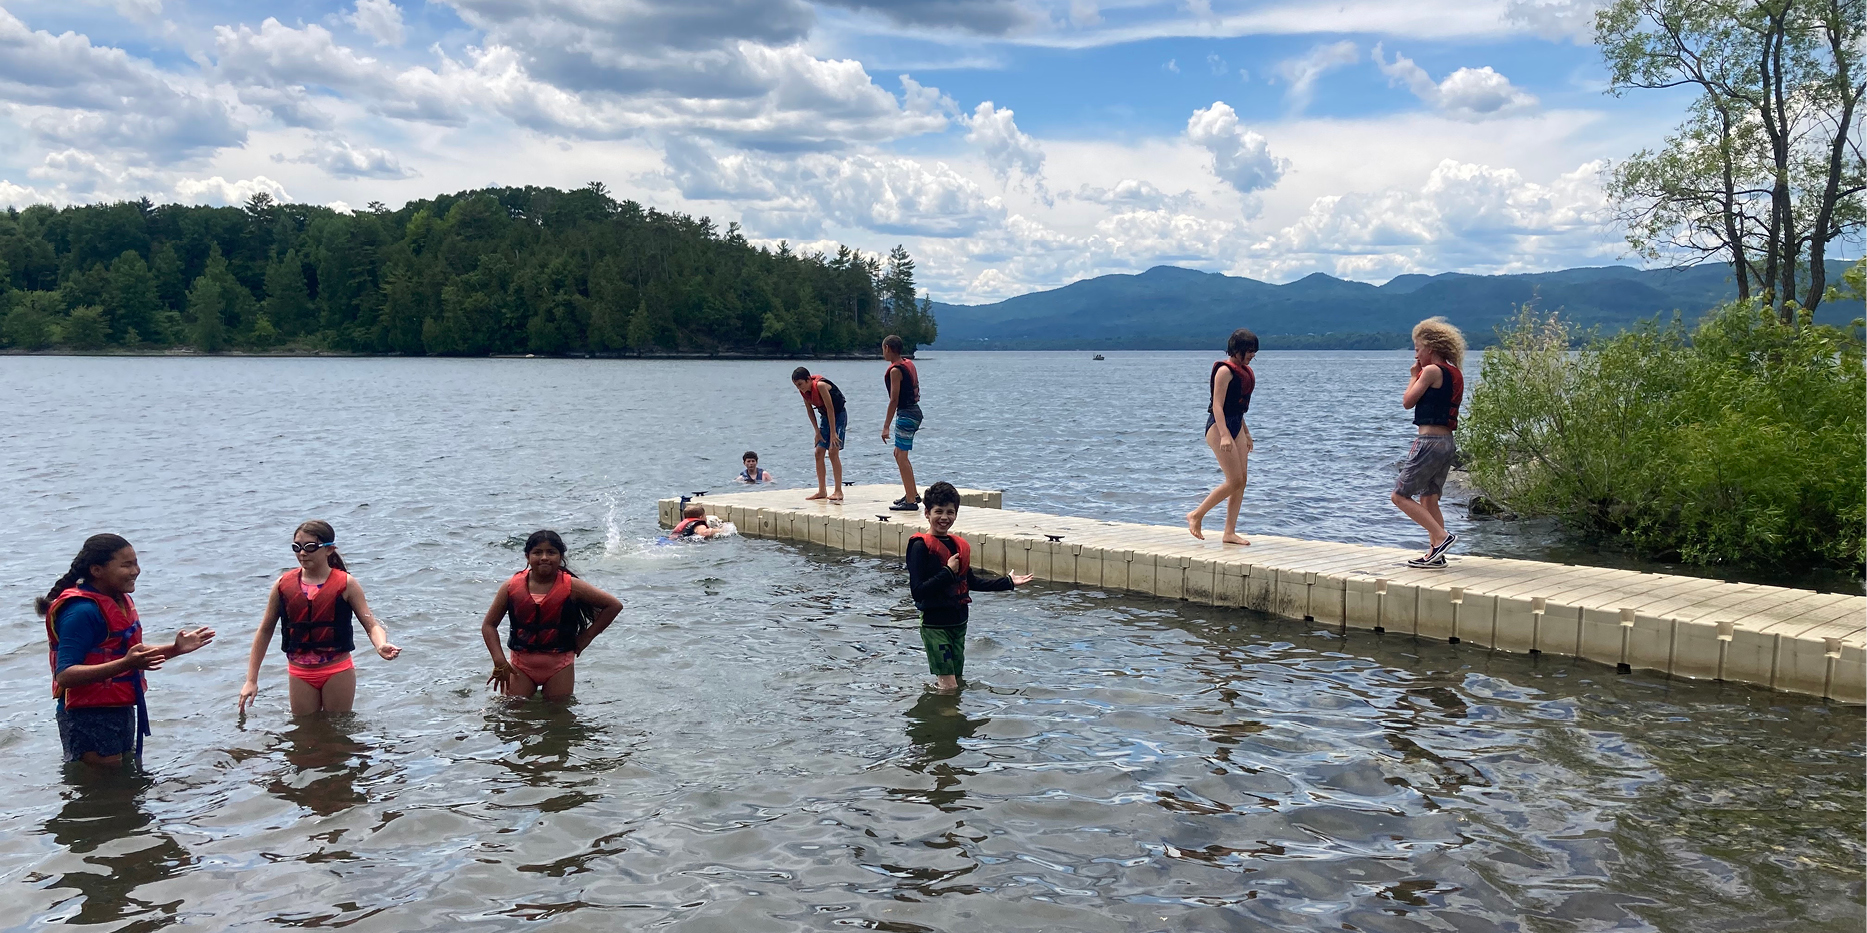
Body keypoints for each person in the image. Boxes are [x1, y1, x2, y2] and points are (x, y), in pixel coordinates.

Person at [39, 534, 215, 767]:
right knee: (103, 790)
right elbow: (65, 674)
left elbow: (127, 653)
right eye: (126, 565)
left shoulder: (117, 600)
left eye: (135, 563)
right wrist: (126, 664)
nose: (135, 571)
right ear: (97, 570)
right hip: (86, 717)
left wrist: (175, 649)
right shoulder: (81, 612)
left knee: (124, 791)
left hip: (119, 708)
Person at [239, 521, 400, 716]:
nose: (302, 553)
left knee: (337, 732)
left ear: (329, 549)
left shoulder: (346, 584)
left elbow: (371, 624)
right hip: (299, 673)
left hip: (337, 671)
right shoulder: (283, 585)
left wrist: (380, 645)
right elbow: (265, 631)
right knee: (305, 735)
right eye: (297, 548)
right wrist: (251, 680)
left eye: (309, 547)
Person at [906, 481, 1034, 692]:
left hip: (959, 622)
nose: (944, 517)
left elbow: (972, 582)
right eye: (939, 512)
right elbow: (918, 591)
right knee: (949, 686)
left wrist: (1008, 582)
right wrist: (947, 572)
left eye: (950, 512)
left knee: (956, 680)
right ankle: (946, 719)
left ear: (956, 514)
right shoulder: (920, 547)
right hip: (935, 624)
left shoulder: (958, 546)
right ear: (927, 513)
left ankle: (948, 711)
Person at [481, 530, 624, 701]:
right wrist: (499, 661)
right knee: (514, 715)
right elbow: (489, 626)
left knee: (559, 717)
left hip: (559, 665)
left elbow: (614, 606)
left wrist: (586, 637)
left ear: (561, 557)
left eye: (551, 552)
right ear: (527, 556)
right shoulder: (510, 587)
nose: (544, 557)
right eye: (537, 552)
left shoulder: (572, 586)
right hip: (521, 665)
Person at [1392, 316, 1467, 568]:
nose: (1416, 355)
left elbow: (1407, 401)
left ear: (1430, 349)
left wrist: (1414, 376)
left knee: (1399, 496)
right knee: (1429, 498)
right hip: (1447, 442)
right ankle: (1436, 554)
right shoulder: (1454, 372)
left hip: (1429, 441)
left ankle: (1441, 537)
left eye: (1417, 349)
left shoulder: (1431, 371)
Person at [1187, 327, 1257, 545]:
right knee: (1233, 480)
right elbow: (1217, 406)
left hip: (1236, 425)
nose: (1253, 355)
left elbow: (1238, 407)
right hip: (1218, 427)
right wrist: (1225, 435)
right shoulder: (1224, 371)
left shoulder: (1243, 370)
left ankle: (1229, 532)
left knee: (1242, 481)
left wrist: (1245, 432)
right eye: (1249, 351)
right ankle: (1196, 515)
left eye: (1255, 351)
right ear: (1237, 350)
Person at [880, 335, 924, 512]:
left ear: (888, 348)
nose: (883, 352)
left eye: (883, 349)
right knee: (898, 453)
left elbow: (894, 399)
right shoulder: (908, 362)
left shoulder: (895, 370)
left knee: (901, 456)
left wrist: (886, 426)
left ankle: (911, 501)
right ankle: (911, 493)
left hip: (907, 413)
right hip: (913, 411)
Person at [792, 366, 847, 501]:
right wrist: (817, 431)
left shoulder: (821, 386)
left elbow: (830, 409)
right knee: (818, 452)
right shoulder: (804, 392)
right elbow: (810, 411)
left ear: (808, 379)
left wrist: (833, 433)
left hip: (838, 416)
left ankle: (838, 491)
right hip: (824, 418)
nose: (799, 388)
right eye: (796, 386)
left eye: (800, 384)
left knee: (833, 451)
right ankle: (822, 490)